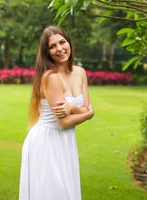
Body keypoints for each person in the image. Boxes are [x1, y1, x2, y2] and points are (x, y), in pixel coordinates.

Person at [19, 26, 94, 200]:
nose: (59, 49)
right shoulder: (50, 77)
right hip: (47, 142)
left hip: (66, 141)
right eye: (52, 46)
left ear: (69, 43)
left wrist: (72, 108)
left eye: (62, 42)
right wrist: (88, 114)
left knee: (67, 192)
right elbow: (65, 122)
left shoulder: (80, 73)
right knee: (54, 193)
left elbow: (81, 108)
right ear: (47, 52)